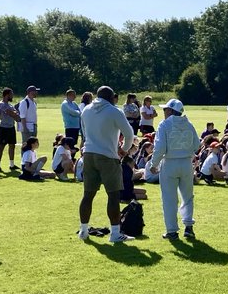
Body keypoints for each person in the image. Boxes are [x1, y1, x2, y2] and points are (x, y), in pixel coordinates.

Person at [78, 85, 137, 243]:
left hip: (89, 154)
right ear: (110, 98)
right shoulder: (114, 111)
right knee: (113, 195)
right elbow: (129, 134)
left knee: (88, 195)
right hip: (108, 156)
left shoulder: (86, 110)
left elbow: (84, 132)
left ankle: (83, 230)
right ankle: (115, 233)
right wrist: (124, 150)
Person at [148, 98, 201, 240]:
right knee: (187, 197)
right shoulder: (189, 125)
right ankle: (188, 227)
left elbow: (159, 148)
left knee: (169, 199)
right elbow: (197, 145)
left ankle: (172, 230)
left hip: (170, 163)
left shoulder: (164, 125)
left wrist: (154, 164)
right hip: (186, 163)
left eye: (165, 109)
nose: (164, 112)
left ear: (171, 111)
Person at [0, 87, 21, 171]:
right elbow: (11, 113)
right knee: (1, 146)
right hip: (4, 128)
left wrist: (15, 114)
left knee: (12, 146)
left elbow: (17, 117)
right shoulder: (1, 104)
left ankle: (12, 165)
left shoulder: (10, 105)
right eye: (11, 94)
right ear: (7, 95)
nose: (12, 96)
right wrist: (15, 113)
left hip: (11, 127)